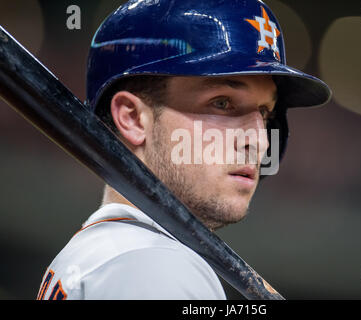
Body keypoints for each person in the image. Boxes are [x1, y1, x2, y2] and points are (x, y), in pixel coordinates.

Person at [37, 0, 331, 300]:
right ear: (133, 118)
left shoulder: (105, 257)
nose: (260, 141)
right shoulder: (154, 269)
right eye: (223, 103)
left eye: (265, 113)